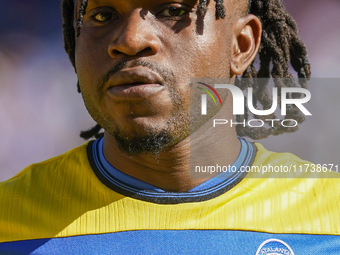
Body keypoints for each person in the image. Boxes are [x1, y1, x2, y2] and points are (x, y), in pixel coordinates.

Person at [0, 0, 339, 254]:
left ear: (242, 46)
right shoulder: (9, 220)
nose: (131, 40)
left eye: (172, 9)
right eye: (102, 15)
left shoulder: (329, 217)